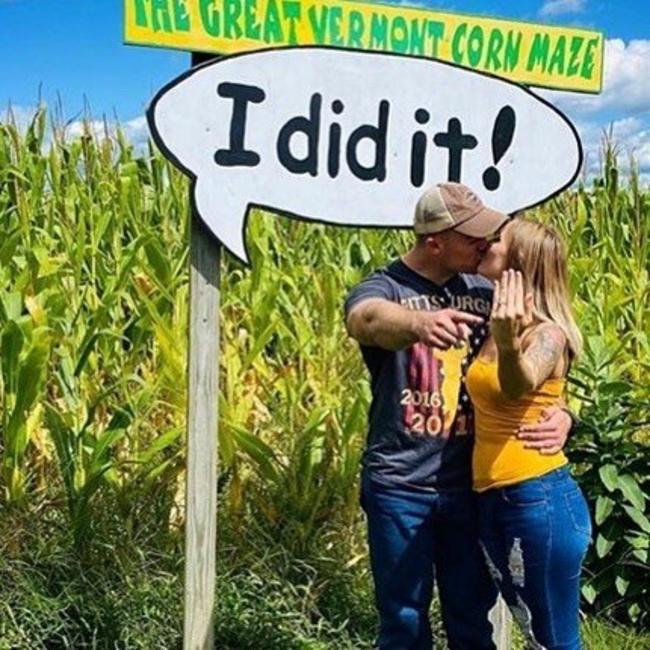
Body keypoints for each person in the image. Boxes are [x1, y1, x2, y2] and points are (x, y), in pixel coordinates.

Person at [344, 182, 573, 649]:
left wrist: (563, 411)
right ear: (434, 242)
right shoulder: (385, 287)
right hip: (400, 483)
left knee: (471, 620)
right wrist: (418, 324)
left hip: (470, 485)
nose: (486, 245)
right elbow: (365, 319)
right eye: (473, 238)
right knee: (403, 620)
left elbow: (545, 350)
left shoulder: (486, 289)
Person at [468, 218, 591, 649]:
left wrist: (506, 341)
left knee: (555, 641)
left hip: (537, 497)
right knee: (536, 636)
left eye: (496, 240)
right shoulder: (494, 321)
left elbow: (520, 384)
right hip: (497, 499)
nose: (484, 243)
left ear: (519, 261)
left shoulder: (547, 334)